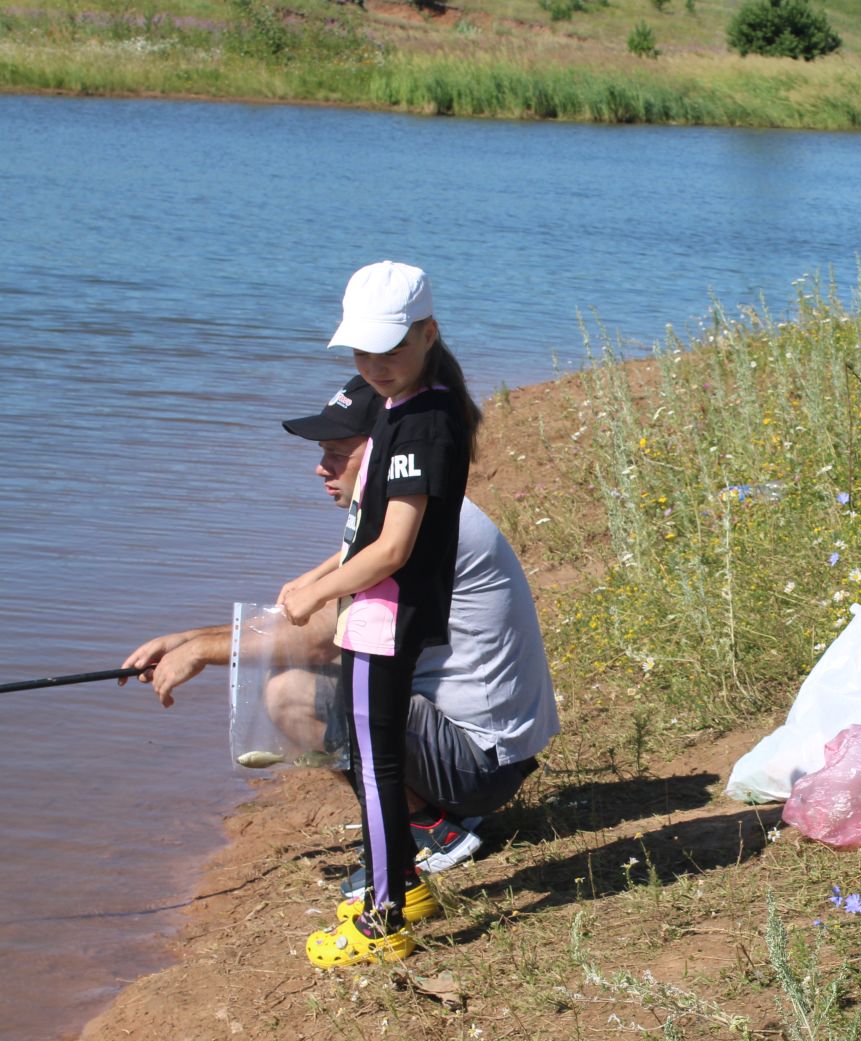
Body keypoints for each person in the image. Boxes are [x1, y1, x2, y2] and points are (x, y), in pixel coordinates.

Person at [121, 375, 559, 881]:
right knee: (317, 677)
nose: (320, 467)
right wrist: (189, 637)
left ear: (385, 451)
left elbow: (317, 639)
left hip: (479, 762)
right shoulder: (417, 508)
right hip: (482, 750)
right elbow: (307, 615)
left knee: (290, 693)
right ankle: (430, 812)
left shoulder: (417, 534)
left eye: (336, 451)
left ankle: (431, 827)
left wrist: (201, 653)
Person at [280, 260, 477, 968]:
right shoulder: (400, 405)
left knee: (376, 765)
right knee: (372, 756)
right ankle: (408, 883)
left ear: (428, 332)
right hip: (378, 609)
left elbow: (393, 547)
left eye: (391, 348)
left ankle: (385, 918)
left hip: (384, 614)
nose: (376, 364)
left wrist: (320, 595)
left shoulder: (426, 421)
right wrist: (315, 574)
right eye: (363, 350)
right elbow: (366, 530)